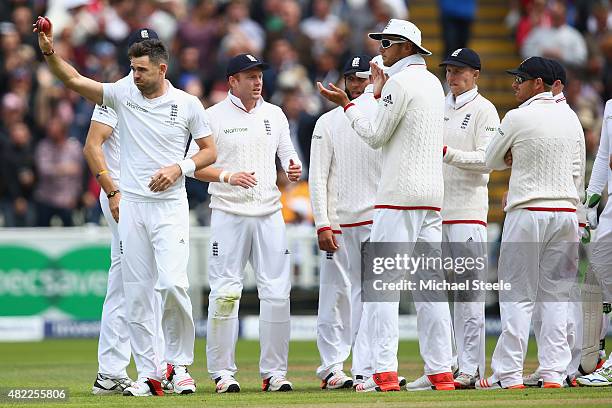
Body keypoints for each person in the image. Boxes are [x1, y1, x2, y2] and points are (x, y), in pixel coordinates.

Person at [34, 17, 217, 396]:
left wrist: (178, 168)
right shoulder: (121, 92)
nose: (134, 75)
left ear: (162, 69)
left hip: (169, 205)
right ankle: (149, 375)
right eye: (132, 68)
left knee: (173, 285)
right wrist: (49, 49)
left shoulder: (187, 104)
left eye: (141, 70)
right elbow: (73, 80)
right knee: (136, 294)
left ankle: (178, 366)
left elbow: (210, 151)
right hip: (131, 205)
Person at [318, 19, 455, 392]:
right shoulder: (431, 82)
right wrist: (377, 95)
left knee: (382, 289)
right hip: (432, 197)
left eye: (387, 43)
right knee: (431, 287)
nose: (381, 48)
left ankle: (383, 372)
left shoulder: (399, 83)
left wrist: (349, 105)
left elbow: (375, 136)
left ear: (406, 47)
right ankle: (442, 371)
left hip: (399, 197)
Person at [192, 53, 301, 393]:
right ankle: (222, 373)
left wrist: (294, 168)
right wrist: (227, 175)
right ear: (232, 82)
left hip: (269, 213)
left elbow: (289, 156)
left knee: (278, 294)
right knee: (225, 293)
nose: (257, 82)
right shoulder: (212, 117)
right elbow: (194, 167)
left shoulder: (275, 114)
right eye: (249, 76)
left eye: (259, 76)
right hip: (229, 212)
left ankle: (274, 373)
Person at [479, 56, 585, 389]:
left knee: (517, 296)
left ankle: (509, 374)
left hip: (528, 212)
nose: (514, 84)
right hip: (566, 214)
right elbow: (578, 173)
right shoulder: (571, 118)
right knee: (555, 298)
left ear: (538, 83)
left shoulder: (517, 116)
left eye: (520, 79)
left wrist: (512, 155)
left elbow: (489, 159)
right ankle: (554, 372)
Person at [83, 28, 174, 395]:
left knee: (127, 281)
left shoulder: (165, 97)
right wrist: (113, 190)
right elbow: (92, 147)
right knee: (139, 282)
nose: (139, 71)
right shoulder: (118, 94)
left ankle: (114, 370)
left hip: (147, 197)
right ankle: (146, 366)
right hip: (124, 196)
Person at [309, 54, 383, 390]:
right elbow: (317, 177)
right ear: (344, 80)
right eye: (352, 79)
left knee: (370, 295)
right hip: (339, 222)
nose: (357, 84)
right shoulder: (327, 122)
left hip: (375, 216)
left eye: (363, 78)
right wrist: (322, 222)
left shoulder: (381, 113)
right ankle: (331, 366)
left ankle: (368, 366)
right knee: (335, 295)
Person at [438, 48, 500, 388]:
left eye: (460, 71)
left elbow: (487, 159)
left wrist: (448, 154)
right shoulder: (437, 107)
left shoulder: (484, 109)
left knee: (468, 294)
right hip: (435, 211)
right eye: (449, 70)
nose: (452, 76)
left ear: (475, 74)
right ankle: (444, 363)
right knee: (437, 294)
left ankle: (471, 368)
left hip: (468, 214)